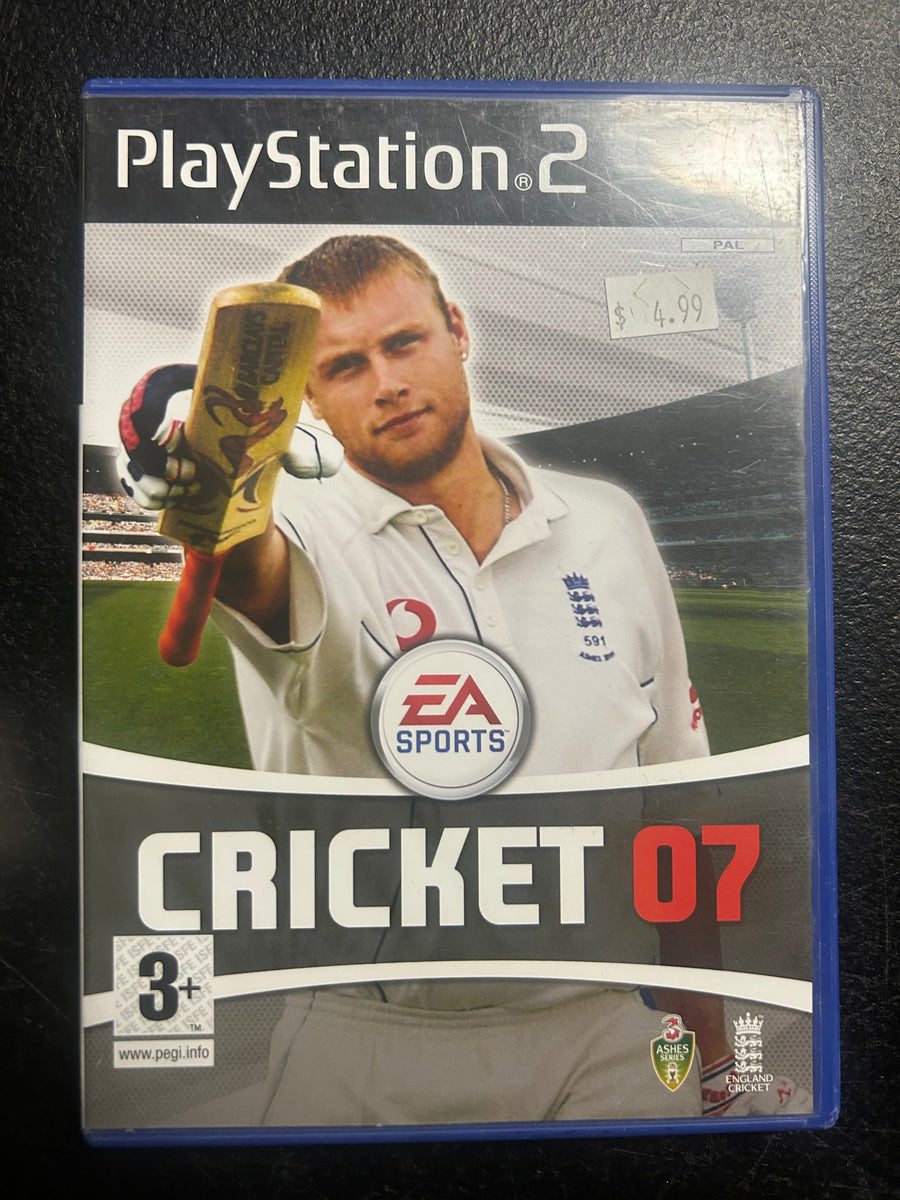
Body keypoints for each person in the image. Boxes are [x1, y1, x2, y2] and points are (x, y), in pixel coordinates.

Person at [118, 234, 786, 1125]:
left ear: (458, 331)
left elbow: (673, 815)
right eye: (345, 366)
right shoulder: (309, 534)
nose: (387, 383)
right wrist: (212, 491)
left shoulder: (606, 522)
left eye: (404, 344)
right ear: (309, 395)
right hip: (365, 1045)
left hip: (606, 1028)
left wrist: (712, 1058)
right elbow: (253, 566)